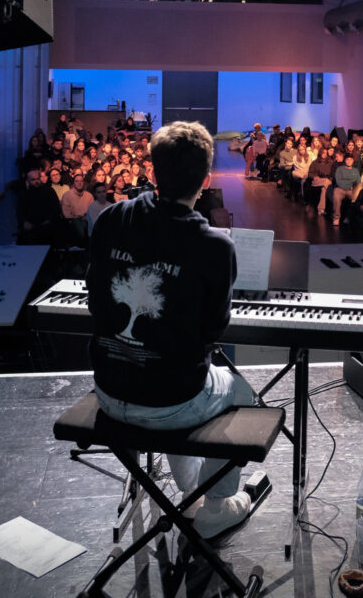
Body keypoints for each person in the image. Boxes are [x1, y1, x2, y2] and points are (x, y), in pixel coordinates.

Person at [87, 120, 255, 540]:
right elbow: (213, 331)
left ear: (152, 171)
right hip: (168, 401)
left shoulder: (109, 220)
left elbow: (94, 301)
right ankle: (217, 503)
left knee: (180, 378)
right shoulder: (215, 246)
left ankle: (189, 485)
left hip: (108, 390)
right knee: (241, 394)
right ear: (207, 180)